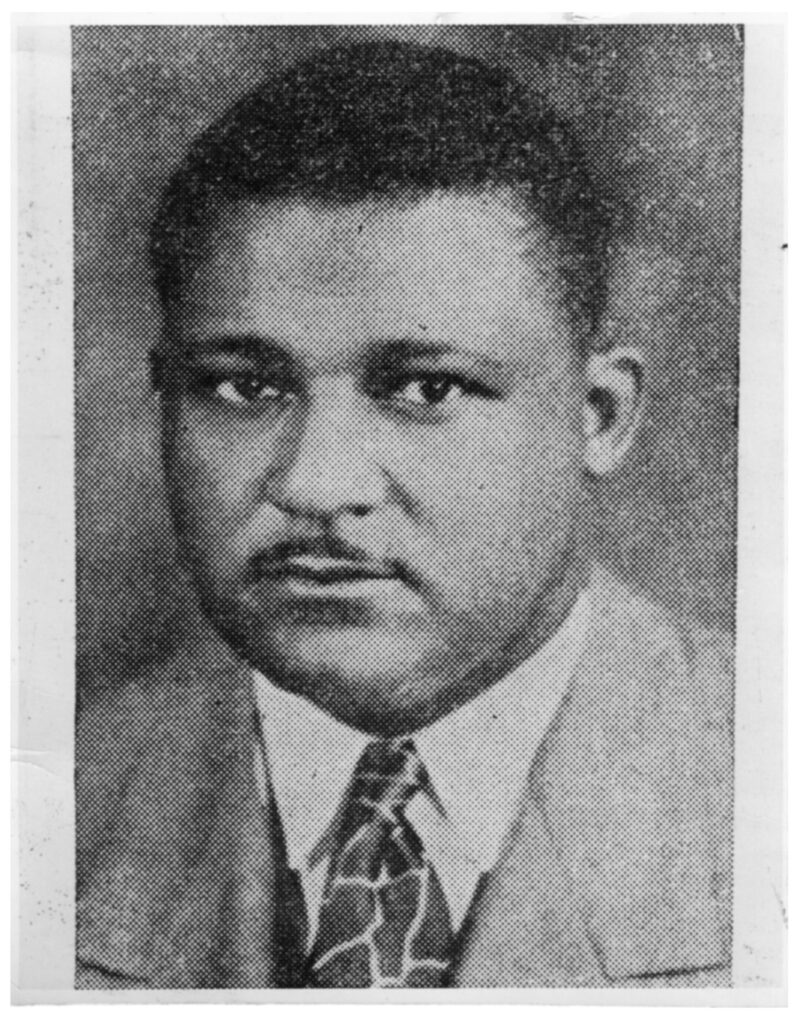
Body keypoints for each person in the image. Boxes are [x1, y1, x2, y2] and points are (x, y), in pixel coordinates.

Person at [76, 38, 733, 989]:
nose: (314, 481)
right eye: (242, 385)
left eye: (425, 389)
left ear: (599, 418)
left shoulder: (761, 797)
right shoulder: (57, 806)